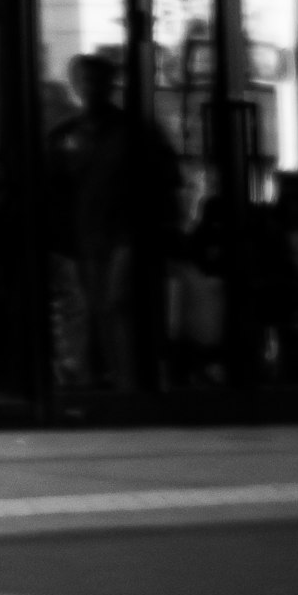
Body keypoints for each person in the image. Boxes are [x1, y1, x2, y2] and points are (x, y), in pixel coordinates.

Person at [48, 51, 177, 395]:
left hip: (123, 238)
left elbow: (158, 186)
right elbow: (55, 190)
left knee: (116, 309)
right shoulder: (68, 135)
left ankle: (127, 385)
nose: (89, 88)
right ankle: (102, 382)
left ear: (110, 85)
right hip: (83, 241)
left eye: (96, 80)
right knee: (93, 313)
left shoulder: (129, 133)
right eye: (83, 80)